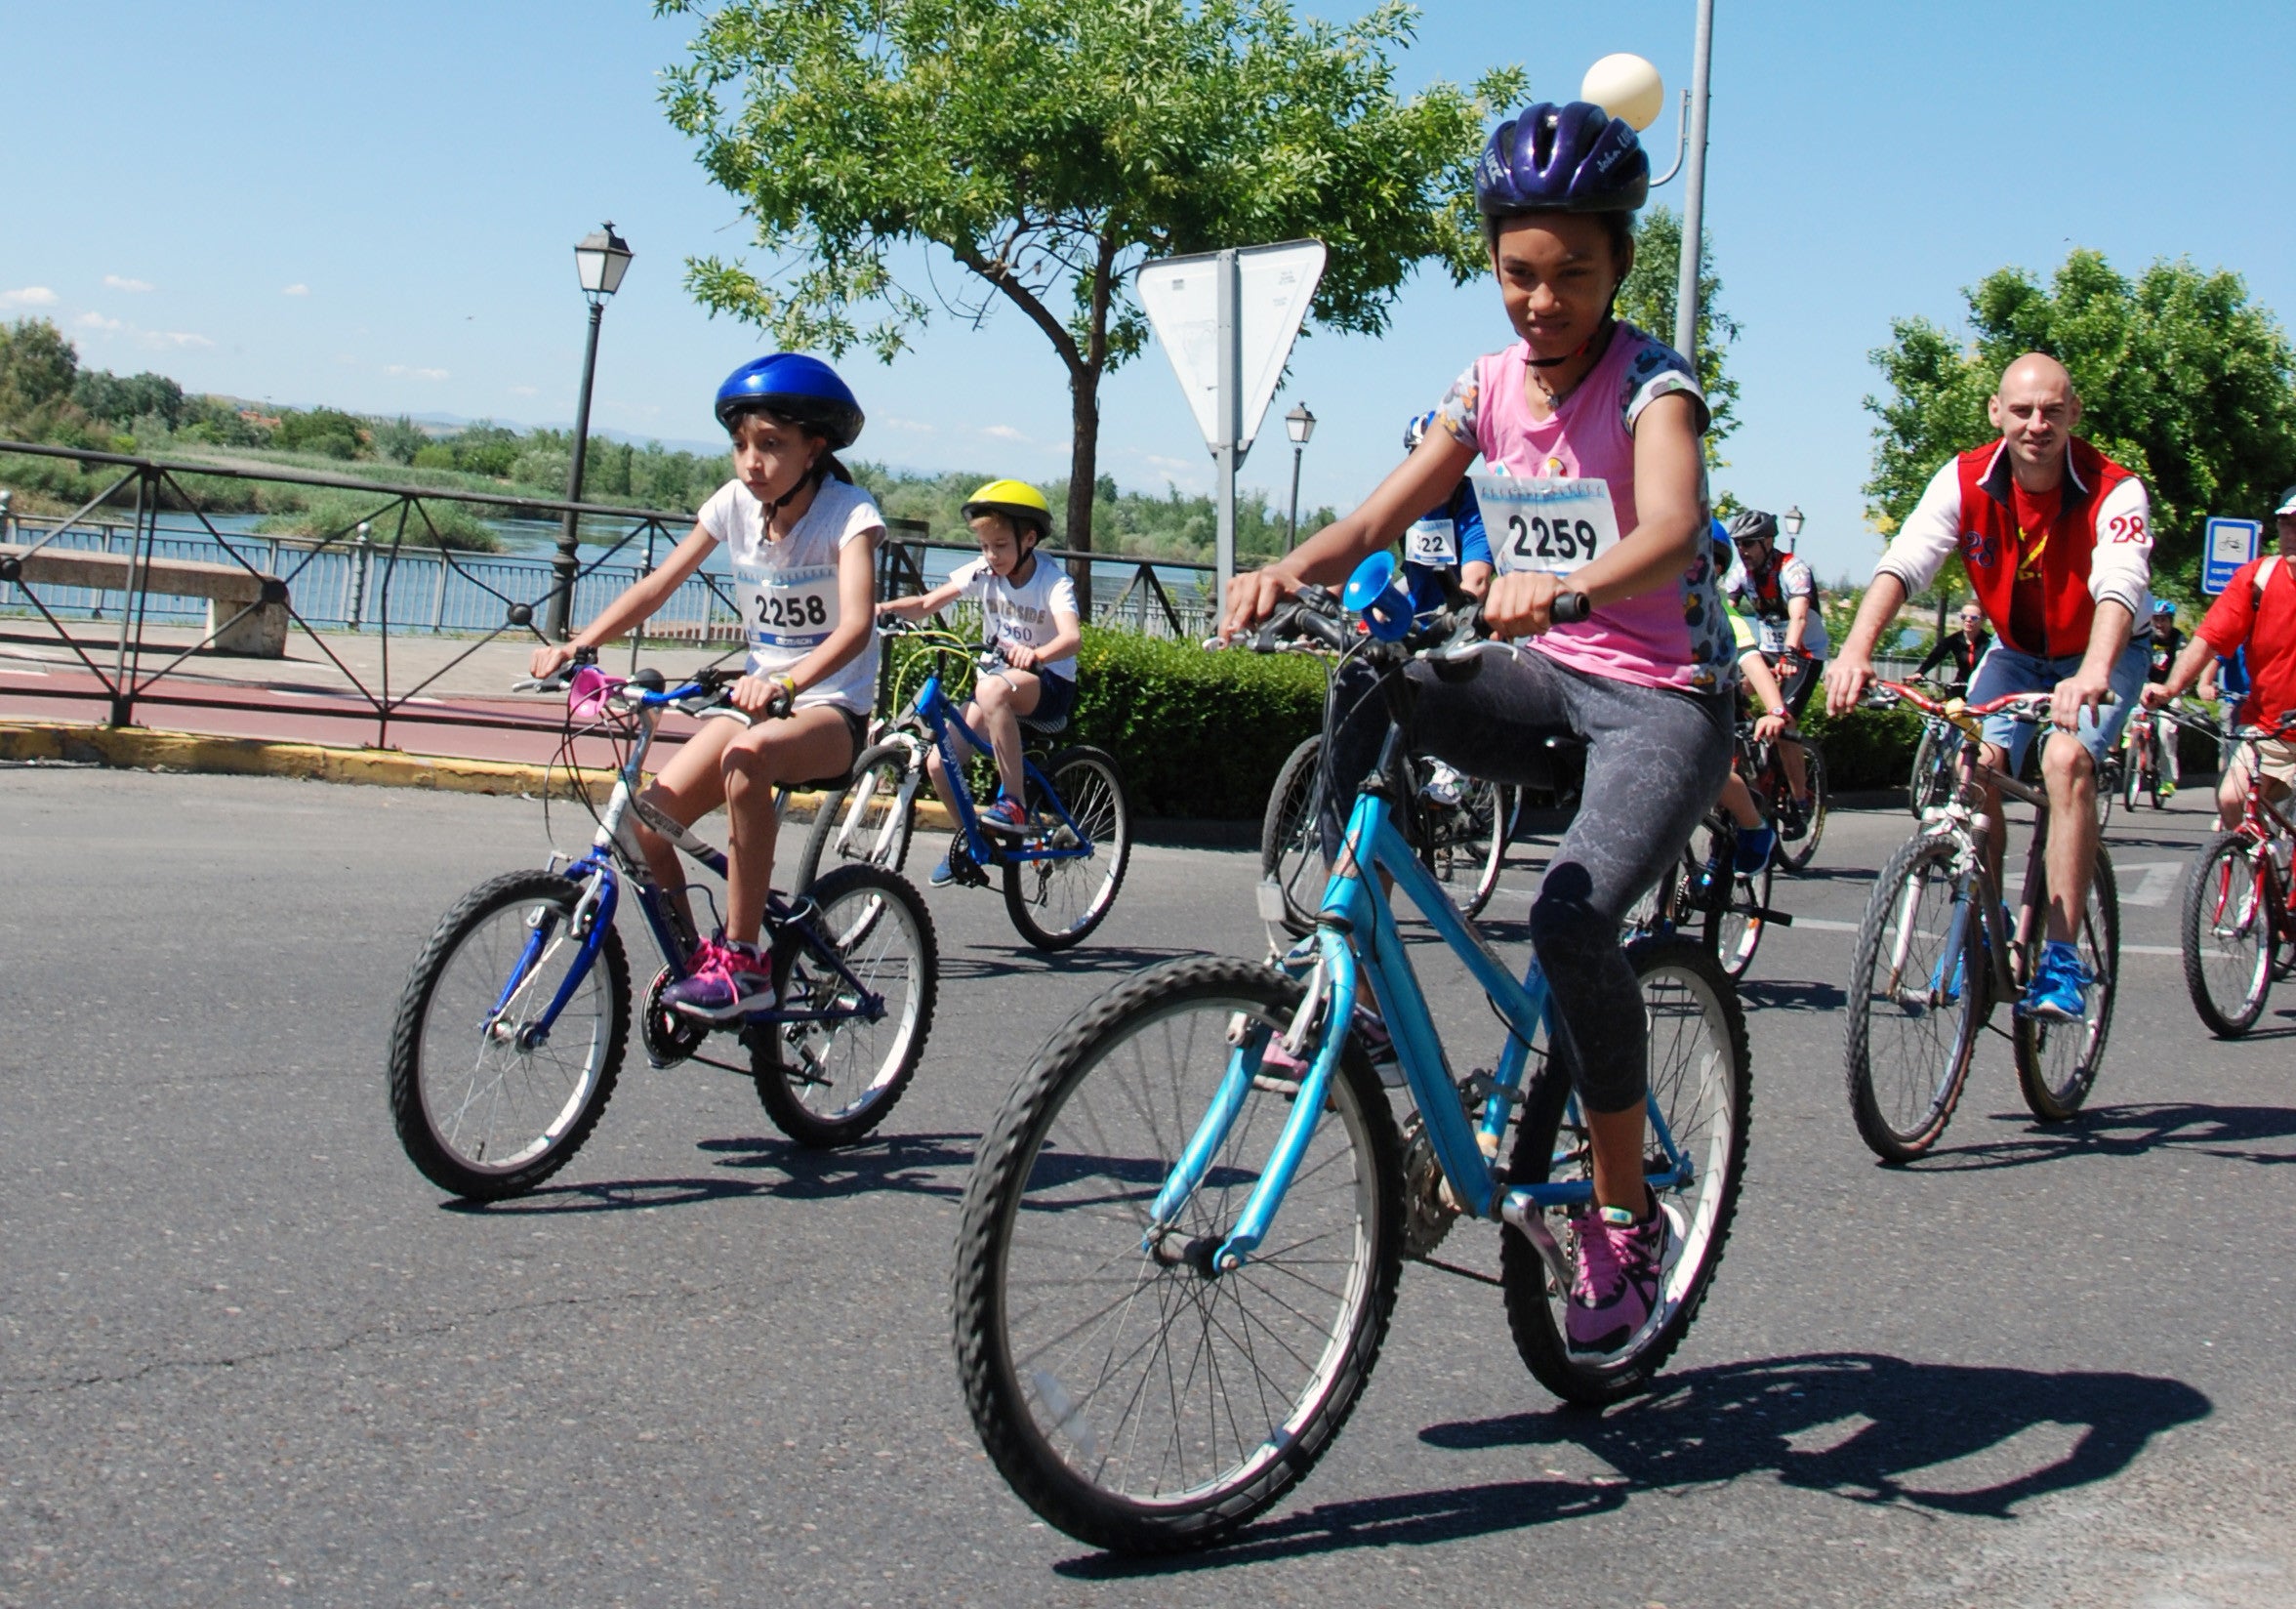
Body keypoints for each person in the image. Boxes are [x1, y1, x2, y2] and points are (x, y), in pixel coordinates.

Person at [1220, 101, 1728, 1356]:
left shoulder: (1653, 386)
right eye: (1518, 273)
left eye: (1573, 275)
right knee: (1371, 677)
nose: (1542, 301)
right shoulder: (1484, 387)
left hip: (1664, 700)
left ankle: (1622, 1215)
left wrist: (1561, 588)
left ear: (1618, 268)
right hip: (1546, 679)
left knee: (1568, 922)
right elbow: (1381, 516)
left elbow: (1672, 527)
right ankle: (1336, 944)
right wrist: (1289, 568)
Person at [528, 353, 882, 1020]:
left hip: (828, 708)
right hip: (757, 702)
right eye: (741, 444)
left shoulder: (848, 513)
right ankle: (698, 964)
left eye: (771, 445)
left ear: (816, 446)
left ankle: (744, 960)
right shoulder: (732, 506)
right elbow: (658, 586)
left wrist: (787, 684)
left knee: (746, 759)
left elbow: (857, 625)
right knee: (643, 824)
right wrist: (580, 645)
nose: (752, 461)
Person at [1824, 352, 2152, 1022]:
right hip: (2017, 650)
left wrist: (2092, 671)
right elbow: (1907, 560)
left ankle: (2061, 959)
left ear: (2074, 415)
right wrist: (1855, 651)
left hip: (2101, 648)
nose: (2037, 424)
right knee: (1973, 762)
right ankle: (1989, 913)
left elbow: (2121, 583)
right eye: (2023, 410)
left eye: (2052, 411)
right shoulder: (1966, 477)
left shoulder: (2116, 489)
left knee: (2066, 762)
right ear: (1996, 412)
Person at [878, 478, 1082, 886]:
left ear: (1029, 539)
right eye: (985, 547)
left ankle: (1015, 804)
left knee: (989, 686)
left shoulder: (1053, 583)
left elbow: (1072, 638)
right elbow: (925, 604)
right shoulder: (984, 571)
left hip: (1048, 685)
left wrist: (1037, 655)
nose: (991, 555)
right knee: (939, 762)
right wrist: (881, 610)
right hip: (999, 687)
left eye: (1001, 546)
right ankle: (974, 843)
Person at [2145, 484, 2296, 830]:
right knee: (2231, 798)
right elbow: (2208, 639)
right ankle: (2260, 875)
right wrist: (2171, 688)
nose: (2293, 533)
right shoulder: (2257, 579)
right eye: (2287, 523)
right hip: (2266, 729)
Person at [1723, 510, 1821, 833]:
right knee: (1732, 693)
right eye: (1738, 545)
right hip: (1765, 651)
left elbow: (1799, 617)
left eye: (1749, 544)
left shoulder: (1794, 569)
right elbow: (1726, 611)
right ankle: (1754, 764)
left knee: (1784, 721)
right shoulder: (1740, 572)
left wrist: (1791, 652)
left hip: (1803, 653)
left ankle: (1800, 800)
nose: (1744, 551)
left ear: (1767, 541)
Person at [2136, 598, 2185, 795]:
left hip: (2169, 692)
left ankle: (2168, 780)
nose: (2159, 624)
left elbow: (2183, 662)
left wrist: (2176, 687)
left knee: (2166, 732)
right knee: (2128, 712)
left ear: (2171, 621)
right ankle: (2134, 750)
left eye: (2164, 620)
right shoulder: (2145, 637)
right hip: (2147, 688)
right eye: (2156, 619)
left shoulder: (2178, 638)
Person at [1916, 603, 1992, 691]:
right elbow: (1936, 655)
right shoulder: (1954, 639)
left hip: (1984, 688)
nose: (1968, 620)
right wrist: (1920, 672)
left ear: (1983, 619)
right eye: (1963, 616)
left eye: (1974, 618)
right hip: (1961, 687)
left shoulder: (1989, 642)